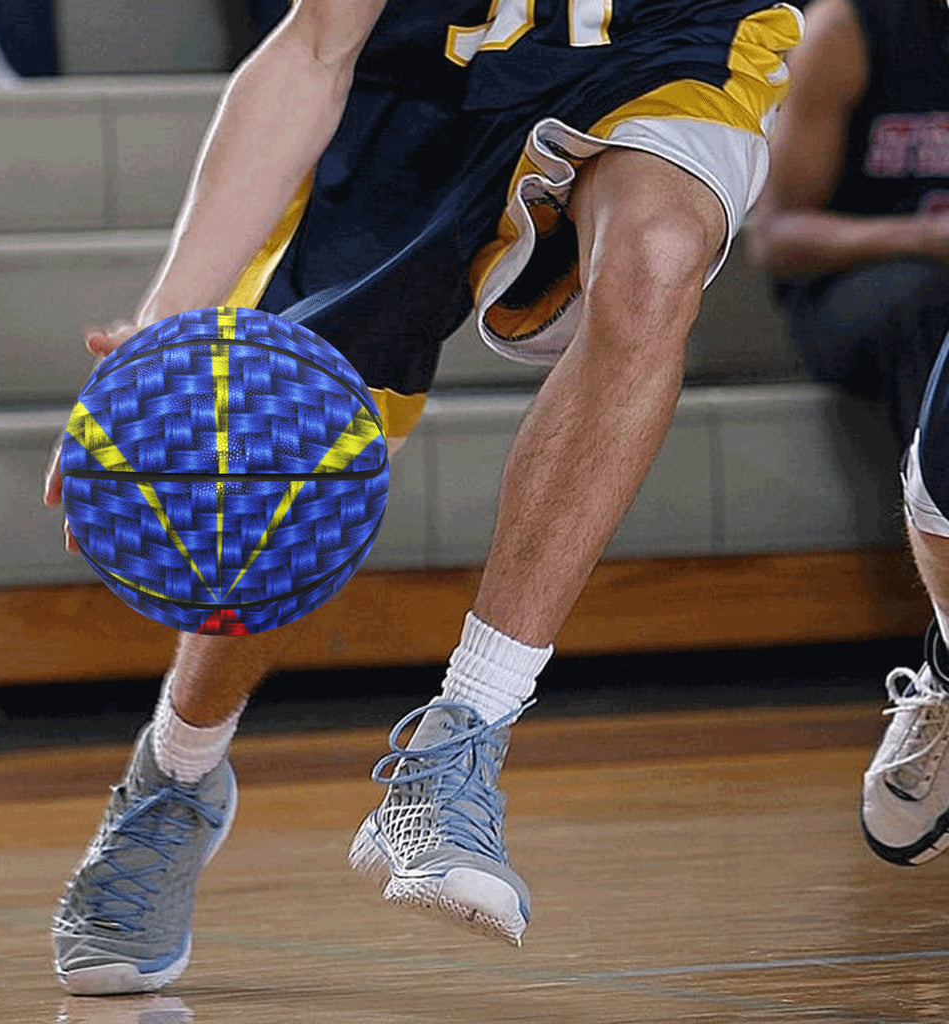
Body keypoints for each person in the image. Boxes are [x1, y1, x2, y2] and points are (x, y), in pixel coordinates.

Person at [43, 0, 803, 996]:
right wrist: (161, 327)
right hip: (417, 88)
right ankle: (175, 775)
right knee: (281, 448)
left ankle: (460, 746)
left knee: (656, 258)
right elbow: (316, 45)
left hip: (665, 48)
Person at [745, 0, 949, 871]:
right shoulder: (852, 30)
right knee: (926, 302)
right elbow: (776, 235)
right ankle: (939, 661)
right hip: (856, 291)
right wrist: (925, 236)